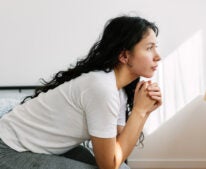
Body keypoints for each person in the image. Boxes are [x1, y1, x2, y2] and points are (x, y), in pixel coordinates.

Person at [0, 15, 162, 169]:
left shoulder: (118, 90)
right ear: (125, 56)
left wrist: (144, 110)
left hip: (36, 146)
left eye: (156, 48)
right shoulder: (102, 88)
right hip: (9, 149)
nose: (158, 56)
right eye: (149, 48)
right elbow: (109, 164)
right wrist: (139, 111)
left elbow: (120, 144)